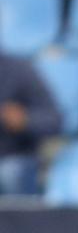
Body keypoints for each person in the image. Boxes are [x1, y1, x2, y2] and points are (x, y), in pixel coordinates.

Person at [0, 54, 64, 197]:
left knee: (9, 173)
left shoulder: (18, 70)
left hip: (12, 156)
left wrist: (24, 120)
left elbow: (54, 121)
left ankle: (18, 220)